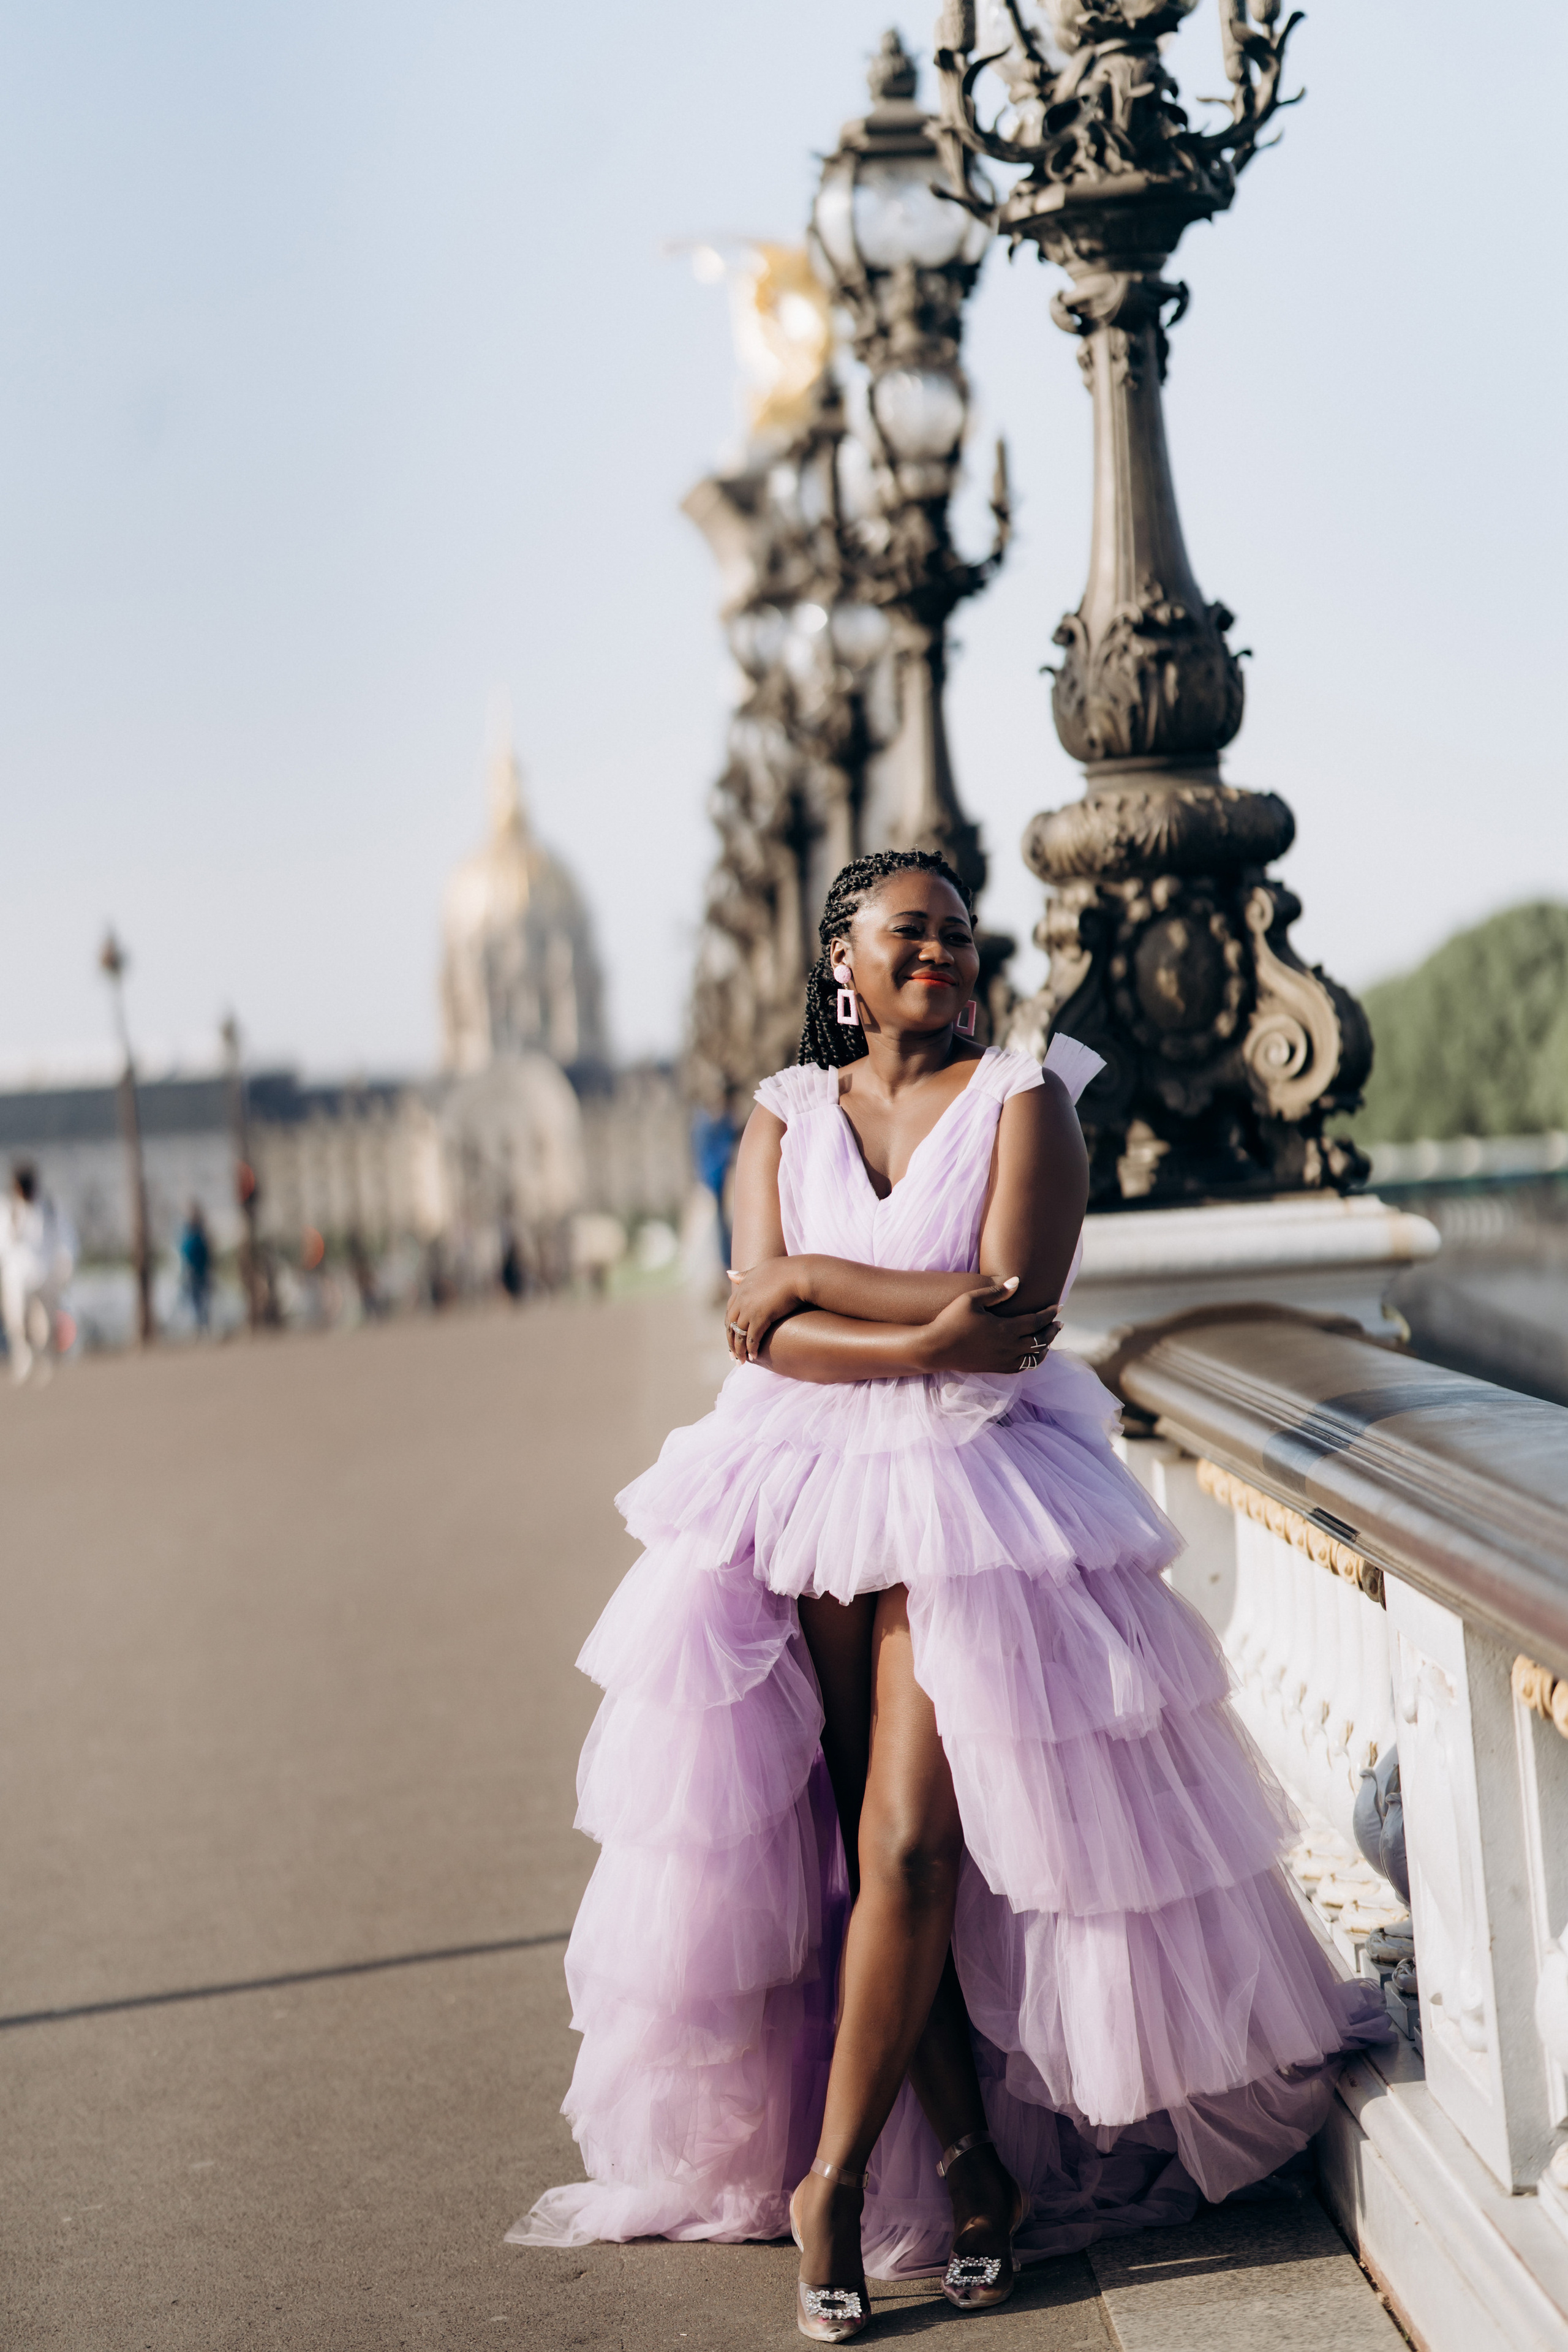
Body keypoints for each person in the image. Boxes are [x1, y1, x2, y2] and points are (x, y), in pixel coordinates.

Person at [514, 850, 1387, 2339]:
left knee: (915, 1842)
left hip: (975, 1494)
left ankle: (834, 2182)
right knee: (861, 1859)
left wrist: (813, 1280)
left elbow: (1014, 1320)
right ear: (839, 959)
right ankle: (971, 2162)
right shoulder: (781, 1115)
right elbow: (758, 1332)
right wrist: (902, 1317)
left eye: (957, 934)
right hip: (790, 1493)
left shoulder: (1027, 1097)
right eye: (905, 931)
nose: (941, 951)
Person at [1, 1163, 75, 1383]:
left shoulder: (50, 1207)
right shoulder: (8, 1210)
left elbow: (67, 1238)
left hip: (45, 1275)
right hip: (16, 1278)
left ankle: (46, 1362)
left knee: (45, 1325)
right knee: (17, 1323)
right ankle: (24, 1360)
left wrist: (66, 1265)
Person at [179, 1202, 213, 1332]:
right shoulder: (186, 1231)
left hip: (201, 1271)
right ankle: (197, 1328)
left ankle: (205, 1327)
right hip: (190, 1272)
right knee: (193, 1301)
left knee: (203, 1300)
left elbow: (207, 1252)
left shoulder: (201, 1232)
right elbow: (184, 1252)